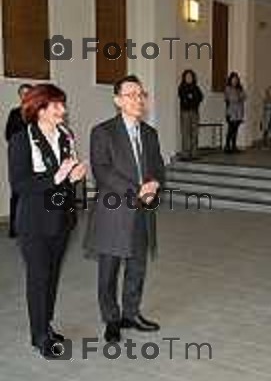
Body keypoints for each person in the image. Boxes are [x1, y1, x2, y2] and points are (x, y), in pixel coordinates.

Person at [8, 84, 87, 358]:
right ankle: (39, 336)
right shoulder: (21, 140)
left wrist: (75, 176)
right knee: (38, 277)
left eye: (62, 105)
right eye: (56, 106)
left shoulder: (66, 136)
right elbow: (20, 184)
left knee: (52, 276)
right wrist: (55, 177)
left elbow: (68, 173)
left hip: (62, 218)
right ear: (39, 109)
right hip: (34, 222)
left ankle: (46, 324)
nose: (62, 111)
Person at [85, 75, 165, 343]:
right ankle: (111, 319)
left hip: (142, 212)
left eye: (141, 94)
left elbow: (158, 169)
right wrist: (137, 189)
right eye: (131, 94)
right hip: (114, 212)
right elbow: (102, 172)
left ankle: (131, 313)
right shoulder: (103, 132)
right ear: (117, 100)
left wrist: (154, 183)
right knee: (108, 270)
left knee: (137, 266)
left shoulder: (150, 134)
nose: (138, 99)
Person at [5, 83, 33, 238]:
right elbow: (8, 135)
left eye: (28, 93)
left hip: (36, 158)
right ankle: (14, 229)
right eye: (22, 93)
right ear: (19, 96)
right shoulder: (14, 113)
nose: (25, 96)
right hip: (19, 158)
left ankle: (32, 227)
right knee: (17, 192)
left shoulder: (38, 113)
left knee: (35, 192)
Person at [178, 69, 204, 159]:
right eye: (187, 76)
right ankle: (185, 154)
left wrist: (191, 97)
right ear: (184, 78)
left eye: (190, 76)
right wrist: (191, 98)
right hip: (185, 112)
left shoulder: (196, 87)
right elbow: (184, 98)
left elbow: (200, 97)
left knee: (195, 133)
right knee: (186, 133)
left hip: (194, 112)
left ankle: (194, 153)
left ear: (193, 78)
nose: (189, 78)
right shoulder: (181, 87)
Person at [224, 72, 246, 153]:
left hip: (238, 113)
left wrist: (239, 97)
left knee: (235, 130)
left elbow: (244, 96)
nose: (235, 81)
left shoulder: (240, 88)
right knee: (230, 130)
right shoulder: (228, 88)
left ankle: (234, 146)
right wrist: (238, 97)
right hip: (231, 113)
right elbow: (231, 99)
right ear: (230, 80)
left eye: (236, 79)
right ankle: (227, 146)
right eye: (233, 79)